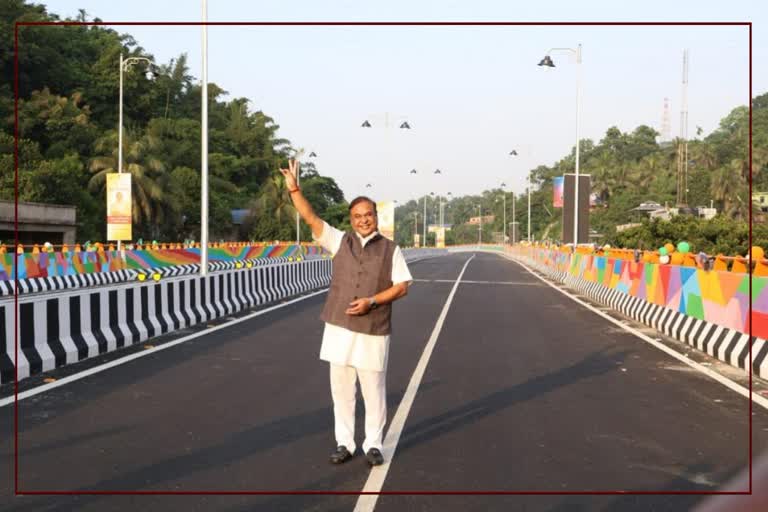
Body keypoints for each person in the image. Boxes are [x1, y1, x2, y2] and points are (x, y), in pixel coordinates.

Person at [280, 159, 413, 467]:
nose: (363, 220)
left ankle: (374, 444)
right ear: (351, 219)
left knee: (373, 390)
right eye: (357, 216)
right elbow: (311, 218)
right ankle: (344, 442)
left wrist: (373, 302)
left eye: (368, 215)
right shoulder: (339, 240)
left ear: (376, 217)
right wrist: (294, 188)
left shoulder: (391, 250)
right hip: (339, 327)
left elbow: (402, 286)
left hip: (373, 329)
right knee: (341, 390)